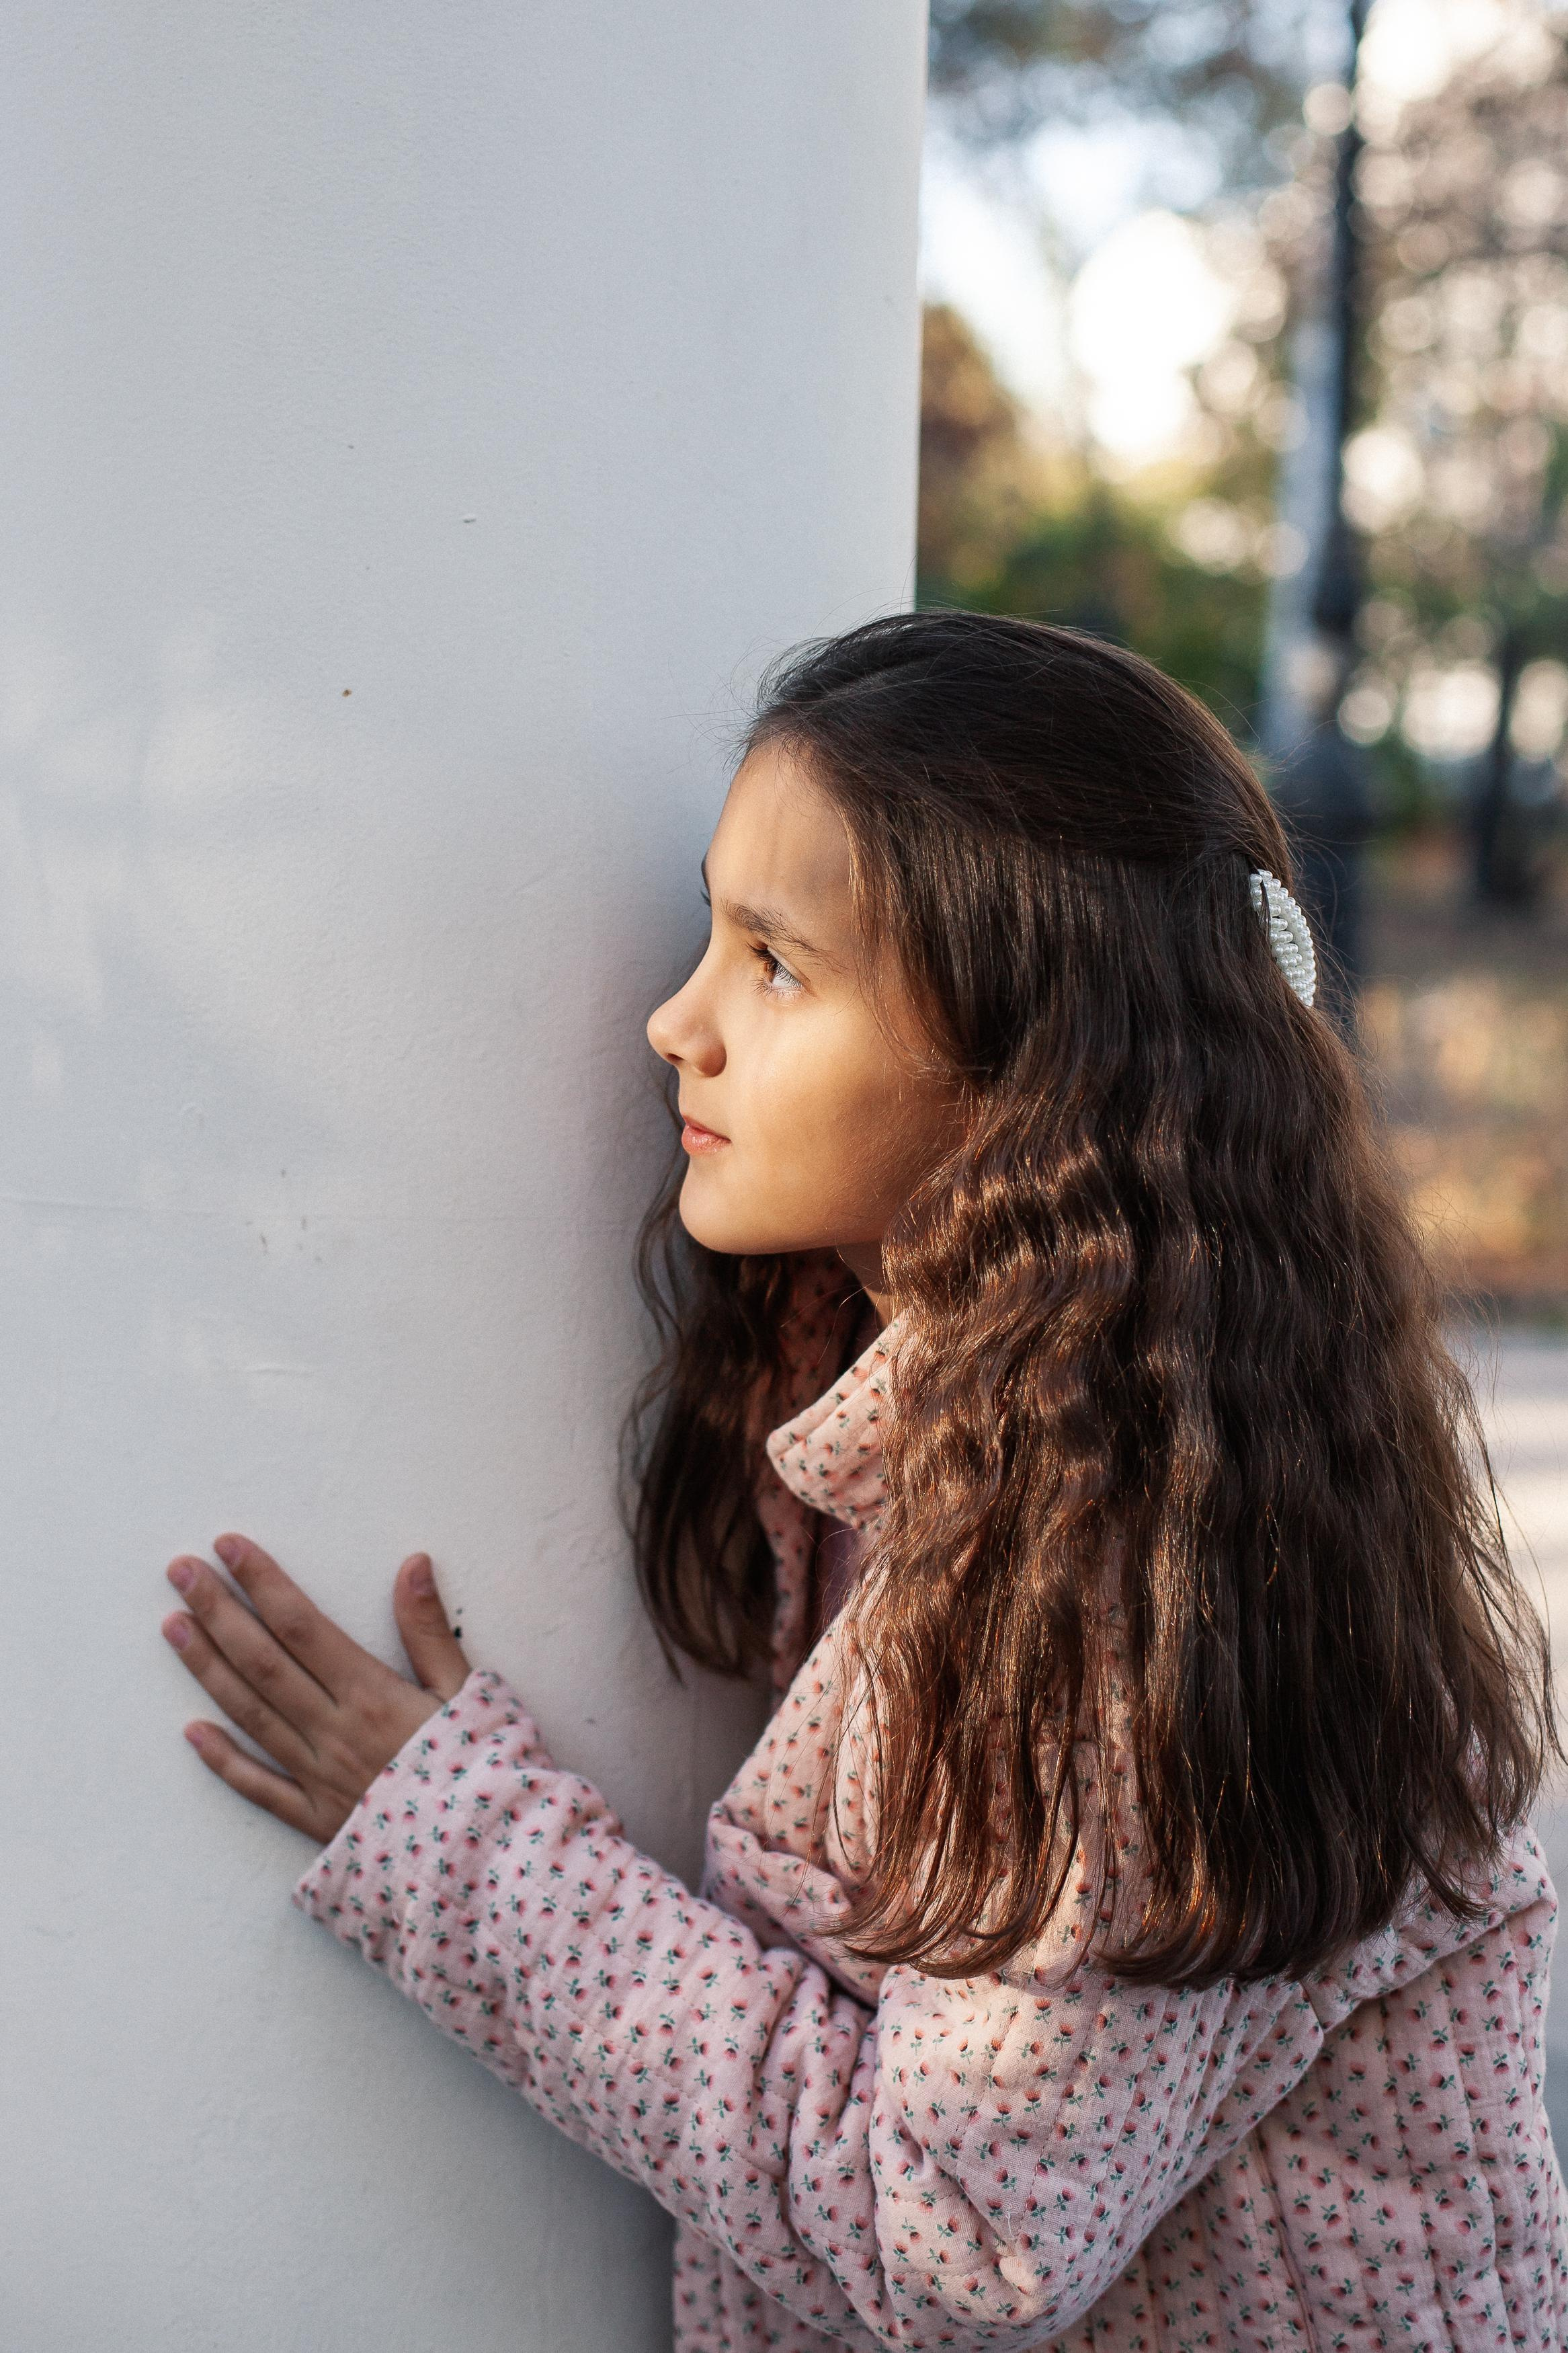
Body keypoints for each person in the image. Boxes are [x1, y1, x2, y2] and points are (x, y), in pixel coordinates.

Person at [158, 612, 1567, 2348]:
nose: (678, 1020)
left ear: (1033, 1064)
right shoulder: (960, 1406)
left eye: (778, 962)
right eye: (712, 930)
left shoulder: (1127, 1569)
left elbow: (960, 2241)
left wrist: (466, 1850)